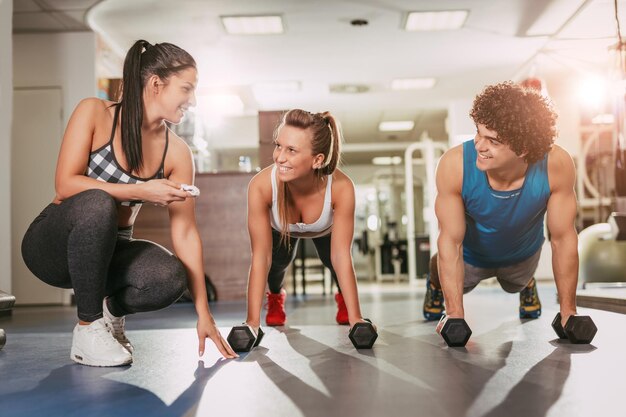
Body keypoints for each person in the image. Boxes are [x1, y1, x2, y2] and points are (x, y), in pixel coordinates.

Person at [21, 40, 237, 367]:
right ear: (155, 84)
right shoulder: (95, 112)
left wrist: (203, 312)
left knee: (170, 277)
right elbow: (65, 185)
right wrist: (144, 190)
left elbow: (186, 234)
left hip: (109, 254)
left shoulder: (177, 153)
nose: (192, 101)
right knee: (98, 201)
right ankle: (87, 328)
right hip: (52, 249)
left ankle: (109, 315)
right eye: (186, 89)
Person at [423, 81, 579, 331]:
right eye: (478, 132)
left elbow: (563, 238)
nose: (479, 146)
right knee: (439, 265)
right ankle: (434, 285)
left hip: (522, 257)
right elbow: (450, 240)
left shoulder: (556, 164)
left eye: (493, 141)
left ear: (523, 148)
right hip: (471, 259)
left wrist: (568, 312)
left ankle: (527, 283)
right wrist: (454, 315)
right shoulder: (455, 165)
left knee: (515, 284)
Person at [243, 109, 371, 331]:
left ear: (317, 159)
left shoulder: (341, 188)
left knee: (332, 261)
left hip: (325, 230)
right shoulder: (261, 186)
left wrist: (356, 318)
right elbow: (260, 256)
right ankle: (274, 298)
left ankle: (343, 301)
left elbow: (342, 255)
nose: (279, 157)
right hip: (281, 229)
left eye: (291, 150)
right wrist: (251, 323)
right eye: (278, 145)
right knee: (277, 262)